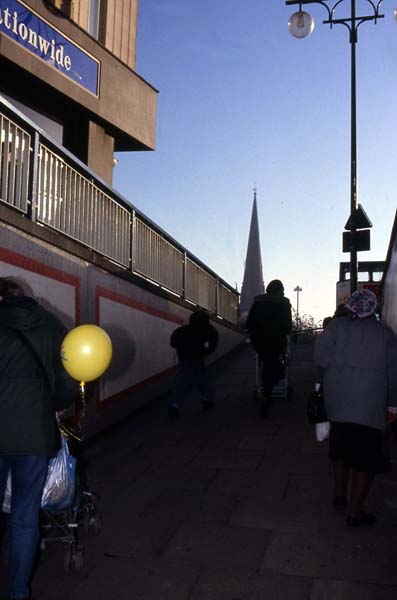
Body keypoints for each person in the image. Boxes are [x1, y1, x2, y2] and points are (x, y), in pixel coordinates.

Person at [0, 277, 77, 600]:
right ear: (22, 296)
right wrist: (58, 405)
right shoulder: (50, 323)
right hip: (34, 432)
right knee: (24, 516)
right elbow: (69, 374)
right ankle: (18, 591)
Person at [314, 289, 397, 527]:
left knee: (339, 449)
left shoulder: (336, 327)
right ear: (374, 309)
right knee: (365, 459)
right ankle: (355, 511)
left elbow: (320, 357)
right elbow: (394, 373)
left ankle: (339, 494)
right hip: (369, 407)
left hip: (337, 401)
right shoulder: (385, 335)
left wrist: (333, 375)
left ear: (351, 306)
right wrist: (392, 404)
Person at [246, 279, 292, 417]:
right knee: (274, 363)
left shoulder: (257, 302)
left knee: (266, 362)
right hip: (276, 341)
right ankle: (268, 393)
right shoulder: (283, 303)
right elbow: (287, 326)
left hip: (259, 341)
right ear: (279, 290)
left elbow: (249, 323)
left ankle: (267, 389)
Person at [168, 310, 219, 417]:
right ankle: (207, 399)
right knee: (202, 378)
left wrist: (181, 349)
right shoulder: (208, 330)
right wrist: (205, 351)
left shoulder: (183, 330)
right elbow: (213, 342)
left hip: (184, 358)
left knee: (180, 382)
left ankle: (175, 404)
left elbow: (173, 342)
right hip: (197, 357)